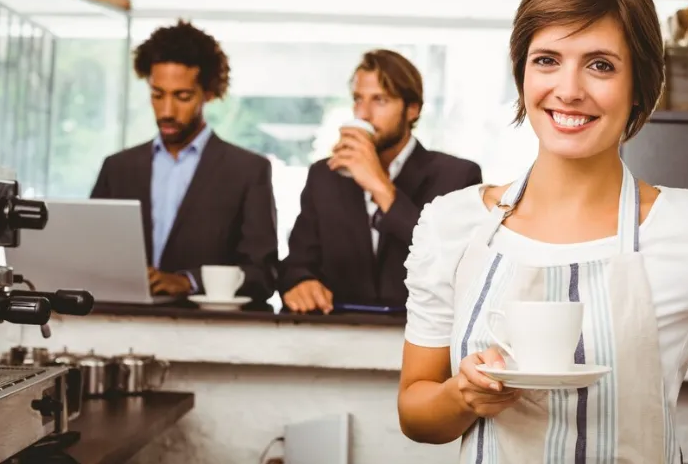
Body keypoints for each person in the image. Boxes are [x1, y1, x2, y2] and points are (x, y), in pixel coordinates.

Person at [397, 0, 688, 463]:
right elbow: (415, 411)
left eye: (601, 65)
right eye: (547, 60)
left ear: (639, 87)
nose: (568, 89)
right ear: (522, 75)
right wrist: (461, 396)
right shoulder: (453, 224)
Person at [278, 49, 482, 314]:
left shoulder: (457, 176)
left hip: (421, 339)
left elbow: (456, 266)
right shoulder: (325, 175)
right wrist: (300, 282)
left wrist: (381, 187)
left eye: (380, 100)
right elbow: (296, 264)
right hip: (338, 335)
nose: (363, 114)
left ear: (412, 110)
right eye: (357, 99)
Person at [90, 20, 278, 304]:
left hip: (205, 334)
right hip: (119, 325)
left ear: (209, 93)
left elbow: (262, 275)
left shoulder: (248, 171)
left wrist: (187, 282)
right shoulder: (117, 168)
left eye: (183, 96)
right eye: (157, 95)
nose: (167, 111)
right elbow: (89, 255)